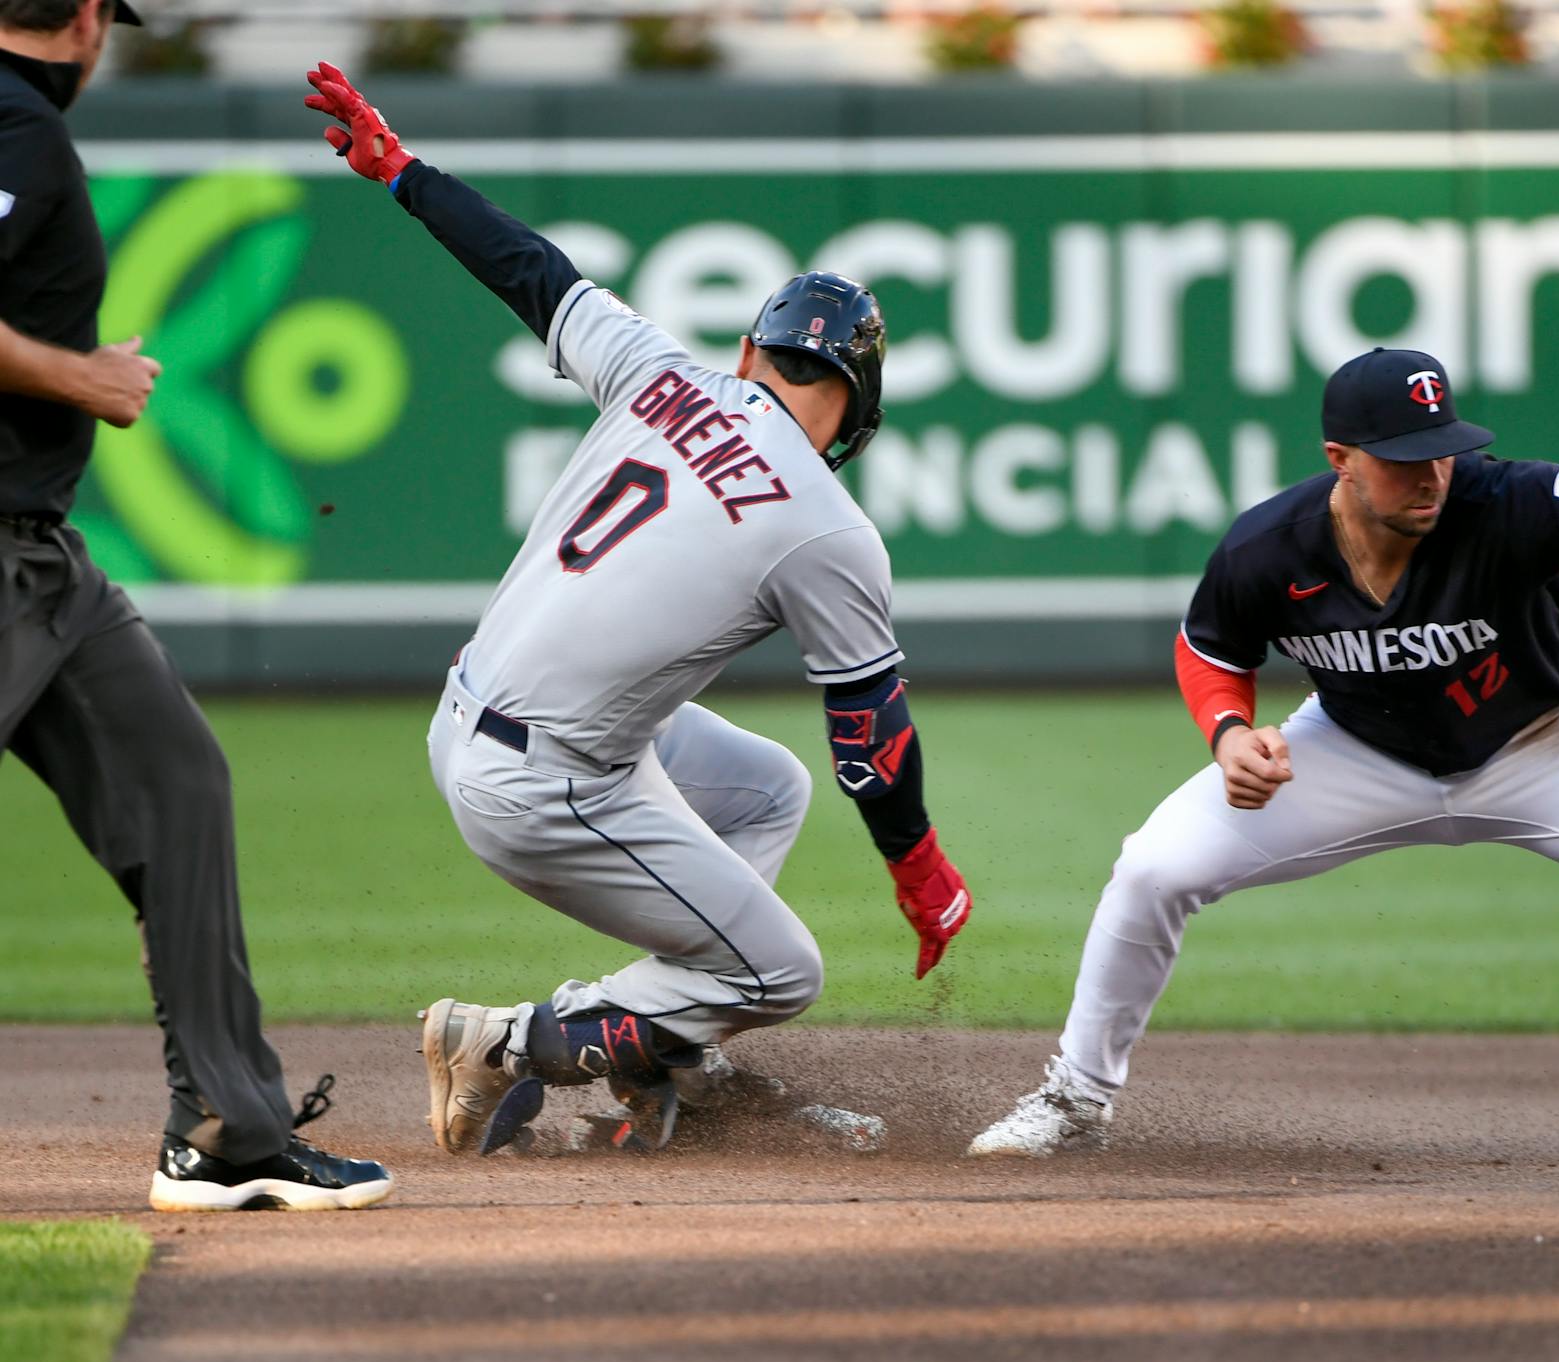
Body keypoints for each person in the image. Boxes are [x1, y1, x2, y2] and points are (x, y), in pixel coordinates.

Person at [300, 64, 974, 1154]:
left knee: (764, 791)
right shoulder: (828, 524)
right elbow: (873, 741)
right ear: (859, 410)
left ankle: (665, 1058)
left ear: (752, 352)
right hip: (544, 781)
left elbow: (530, 271)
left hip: (471, 718)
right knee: (778, 968)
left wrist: (400, 170)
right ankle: (507, 1039)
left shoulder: (663, 372)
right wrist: (921, 871)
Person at [969, 347, 1559, 1166]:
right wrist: (1231, 734)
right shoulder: (1268, 545)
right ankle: (1073, 1100)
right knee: (1152, 867)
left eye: (1442, 449)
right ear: (1340, 456)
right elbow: (1210, 650)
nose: (1431, 473)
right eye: (1401, 455)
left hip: (1547, 742)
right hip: (1355, 750)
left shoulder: (1507, 501)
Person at [0, 1, 390, 1211]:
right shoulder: (18, 129)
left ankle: (231, 1129)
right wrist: (86, 376)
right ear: (81, 19)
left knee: (177, 781)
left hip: (42, 559)